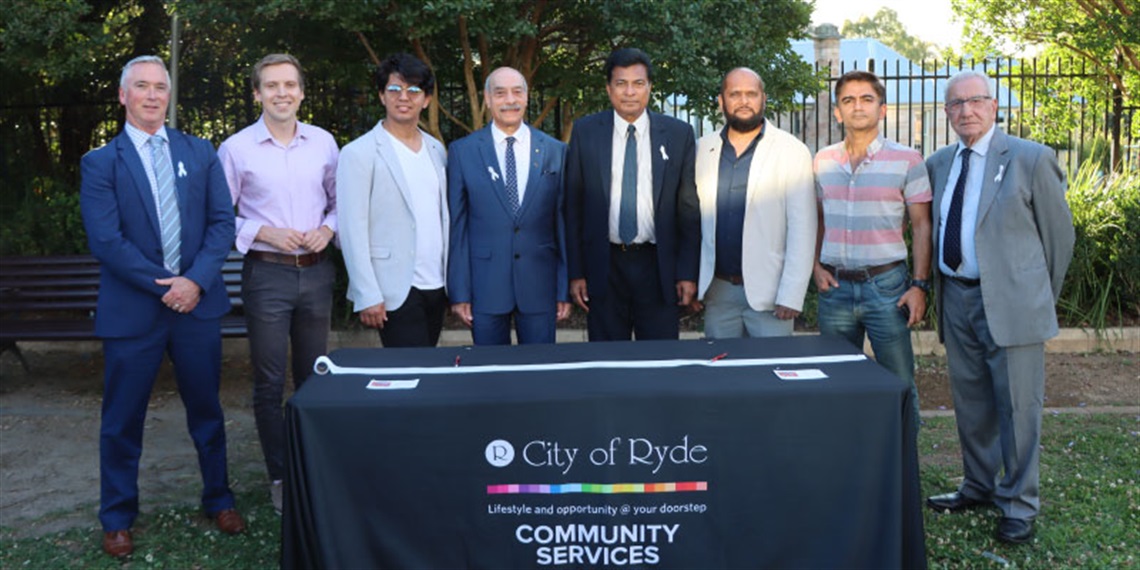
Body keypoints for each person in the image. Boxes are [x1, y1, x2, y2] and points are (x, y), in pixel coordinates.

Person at [79, 55, 244, 558]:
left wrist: (193, 282)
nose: (152, 96)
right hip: (134, 313)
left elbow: (222, 225)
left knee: (207, 411)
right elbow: (107, 241)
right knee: (122, 419)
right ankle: (117, 517)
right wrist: (166, 287)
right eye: (142, 87)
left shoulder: (200, 152)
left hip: (197, 306)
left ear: (169, 95)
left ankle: (218, 497)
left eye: (160, 87)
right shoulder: (101, 162)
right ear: (123, 95)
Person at [924, 70, 1074, 545]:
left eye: (975, 101)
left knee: (1017, 408)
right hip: (957, 299)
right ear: (946, 113)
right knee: (971, 404)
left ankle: (1019, 503)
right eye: (955, 104)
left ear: (993, 106)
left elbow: (1059, 238)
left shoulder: (1031, 159)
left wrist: (1035, 298)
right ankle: (979, 485)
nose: (965, 111)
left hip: (1014, 306)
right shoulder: (941, 162)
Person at [217, 53, 338, 514]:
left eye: (290, 84)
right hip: (266, 274)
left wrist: (328, 229)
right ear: (257, 93)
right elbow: (219, 217)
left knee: (314, 377)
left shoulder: (324, 143)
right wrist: (262, 232)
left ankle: (314, 468)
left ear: (302, 92)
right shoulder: (236, 149)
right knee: (269, 381)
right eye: (271, 85)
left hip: (317, 271)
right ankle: (281, 476)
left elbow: (339, 203)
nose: (281, 93)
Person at [812, 70, 932, 425]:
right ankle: (844, 465)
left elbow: (922, 226)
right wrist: (815, 267)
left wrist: (919, 285)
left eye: (867, 99)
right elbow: (818, 220)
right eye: (848, 100)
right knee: (834, 384)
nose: (857, 106)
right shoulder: (822, 161)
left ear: (882, 109)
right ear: (837, 112)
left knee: (898, 384)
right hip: (834, 289)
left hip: (887, 288)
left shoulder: (908, 160)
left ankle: (902, 472)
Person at [565, 47, 700, 341]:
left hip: (657, 266)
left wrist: (687, 273)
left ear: (650, 88)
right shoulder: (586, 132)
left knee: (659, 360)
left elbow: (688, 210)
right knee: (607, 363)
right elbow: (573, 208)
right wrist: (576, 272)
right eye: (621, 83)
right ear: (608, 88)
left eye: (638, 83)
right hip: (604, 266)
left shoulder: (678, 135)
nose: (630, 92)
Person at [446, 67, 570, 344]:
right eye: (500, 93)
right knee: (489, 376)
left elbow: (562, 224)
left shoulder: (556, 151)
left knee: (538, 374)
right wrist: (460, 291)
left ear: (527, 98)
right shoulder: (462, 152)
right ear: (487, 100)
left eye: (517, 92)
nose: (510, 100)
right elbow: (458, 227)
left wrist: (563, 289)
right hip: (484, 285)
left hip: (540, 285)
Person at [692, 68, 816, 338]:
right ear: (721, 100)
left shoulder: (791, 151)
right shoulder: (702, 149)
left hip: (771, 293)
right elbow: (692, 222)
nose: (744, 101)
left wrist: (792, 294)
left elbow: (803, 229)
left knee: (772, 374)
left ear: (763, 98)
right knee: (721, 373)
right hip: (718, 291)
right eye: (735, 94)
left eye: (751, 94)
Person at [337, 53, 449, 347]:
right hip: (393, 289)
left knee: (429, 372)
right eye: (394, 89)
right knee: (411, 377)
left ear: (426, 100)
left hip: (437, 283)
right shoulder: (358, 153)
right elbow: (351, 228)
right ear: (381, 96)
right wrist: (367, 293)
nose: (404, 97)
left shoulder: (436, 150)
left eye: (414, 90)